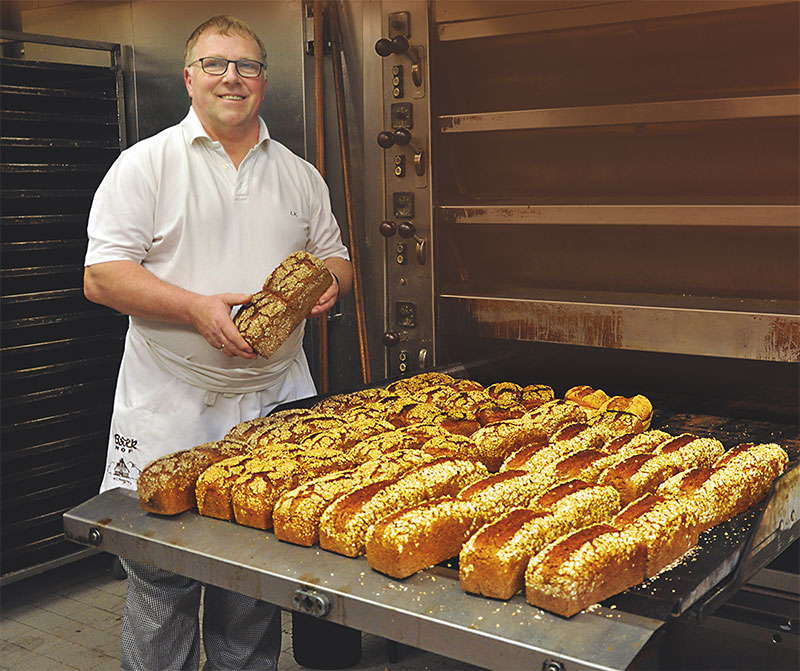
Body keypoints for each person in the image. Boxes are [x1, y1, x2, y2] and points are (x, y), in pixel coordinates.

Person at [83, 15, 352, 671]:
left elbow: (336, 259)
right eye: (215, 64)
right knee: (161, 577)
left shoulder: (299, 174)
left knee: (255, 582)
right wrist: (196, 309)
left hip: (274, 400)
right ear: (189, 77)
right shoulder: (144, 165)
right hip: (172, 402)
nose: (232, 77)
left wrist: (329, 288)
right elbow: (101, 276)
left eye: (247, 66)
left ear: (263, 80)